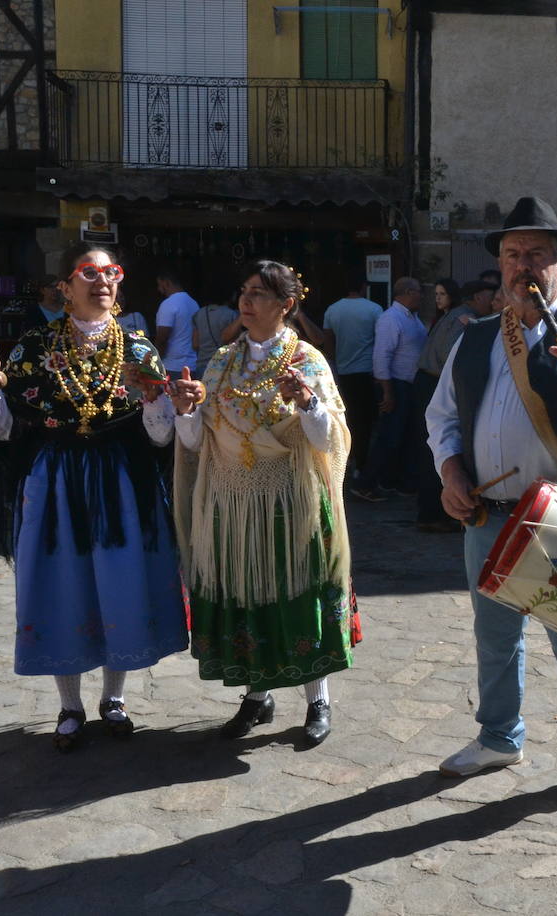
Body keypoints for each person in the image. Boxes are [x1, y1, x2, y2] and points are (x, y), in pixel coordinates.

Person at [425, 196, 557, 815]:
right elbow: (441, 419)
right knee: (495, 639)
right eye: (513, 254)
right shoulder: (477, 337)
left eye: (536, 255)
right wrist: (451, 472)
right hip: (488, 515)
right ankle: (498, 739)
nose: (523, 266)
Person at [0, 244, 187, 752]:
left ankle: (114, 699)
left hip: (122, 485)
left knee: (118, 583)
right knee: (61, 584)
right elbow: (3, 430)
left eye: (111, 272)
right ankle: (70, 704)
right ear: (65, 287)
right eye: (89, 272)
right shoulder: (32, 347)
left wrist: (158, 401)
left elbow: (158, 438)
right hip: (56, 482)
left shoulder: (138, 349)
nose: (102, 281)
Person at [170, 260, 356, 748]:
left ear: (286, 306)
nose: (246, 303)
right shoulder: (221, 362)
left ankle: (318, 698)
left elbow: (328, 440)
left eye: (259, 294)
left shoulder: (309, 361)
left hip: (292, 501)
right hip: (232, 503)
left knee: (301, 592)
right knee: (246, 594)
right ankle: (258, 694)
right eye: (244, 292)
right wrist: (187, 410)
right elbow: (193, 444)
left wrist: (308, 403)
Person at [413, 279, 499, 532]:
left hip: (429, 381)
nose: (492, 303)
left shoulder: (459, 316)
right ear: (477, 298)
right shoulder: (468, 322)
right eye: (489, 297)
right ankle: (434, 514)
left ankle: (432, 513)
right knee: (439, 453)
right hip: (436, 385)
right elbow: (459, 364)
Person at [353, 277, 426, 500]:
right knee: (389, 436)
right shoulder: (390, 319)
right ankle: (365, 483)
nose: (422, 296)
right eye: (418, 292)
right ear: (407, 292)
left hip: (408, 384)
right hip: (395, 383)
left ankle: (394, 480)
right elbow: (381, 357)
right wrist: (387, 391)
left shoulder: (412, 317)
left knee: (404, 435)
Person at [321, 275, 384, 482]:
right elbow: (381, 341)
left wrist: (336, 361)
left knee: (345, 419)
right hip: (366, 371)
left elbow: (328, 340)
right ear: (363, 287)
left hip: (343, 372)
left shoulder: (332, 309)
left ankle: (344, 460)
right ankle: (361, 463)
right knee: (365, 422)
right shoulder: (374, 309)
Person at [154, 269, 200, 376]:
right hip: (193, 365)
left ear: (166, 283)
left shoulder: (168, 304)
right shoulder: (194, 303)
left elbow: (162, 338)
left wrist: (155, 361)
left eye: (160, 285)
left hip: (172, 366)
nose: (159, 289)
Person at [190, 291, 239, 379]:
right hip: (223, 366)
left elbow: (195, 344)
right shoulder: (231, 314)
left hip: (202, 366)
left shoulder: (199, 314)